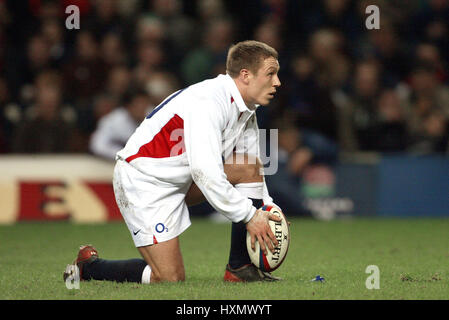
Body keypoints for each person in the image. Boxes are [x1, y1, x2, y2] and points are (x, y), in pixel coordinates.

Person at [64, 40, 283, 284]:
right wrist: (250, 216)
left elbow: (251, 167)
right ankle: (89, 268)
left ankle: (239, 268)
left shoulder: (246, 109)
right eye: (271, 74)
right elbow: (205, 173)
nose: (277, 82)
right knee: (168, 277)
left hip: (179, 180)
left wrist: (267, 211)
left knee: (248, 166)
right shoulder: (209, 102)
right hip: (144, 181)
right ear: (245, 75)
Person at [89, 89, 152, 160]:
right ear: (128, 106)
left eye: (145, 104)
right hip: (116, 162)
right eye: (138, 104)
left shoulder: (155, 116)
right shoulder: (112, 120)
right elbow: (97, 146)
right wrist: (124, 154)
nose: (142, 108)